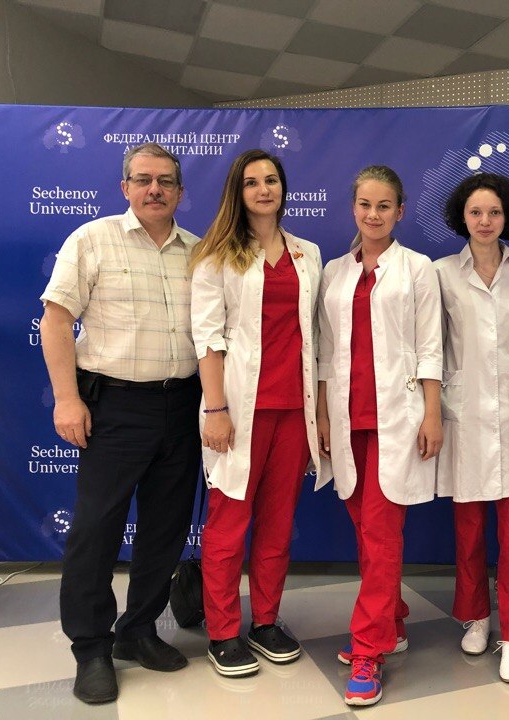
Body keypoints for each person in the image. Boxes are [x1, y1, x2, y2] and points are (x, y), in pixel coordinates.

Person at [39, 143, 201, 704]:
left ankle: (138, 630)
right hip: (114, 407)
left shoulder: (199, 252)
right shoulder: (92, 239)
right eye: (143, 179)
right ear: (125, 187)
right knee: (97, 530)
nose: (155, 189)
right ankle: (91, 648)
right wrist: (67, 400)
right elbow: (56, 321)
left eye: (166, 181)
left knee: (165, 527)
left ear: (180, 191)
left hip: (183, 405)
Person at [190, 150, 327, 678]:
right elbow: (208, 339)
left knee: (277, 523)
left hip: (294, 411)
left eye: (271, 180)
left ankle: (265, 621)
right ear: (238, 191)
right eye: (252, 182)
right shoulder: (215, 255)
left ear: (283, 188)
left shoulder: (307, 253)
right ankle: (223, 630)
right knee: (228, 525)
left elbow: (316, 338)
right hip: (238, 411)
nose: (263, 189)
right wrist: (216, 409)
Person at [316, 165, 443, 707]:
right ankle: (392, 616)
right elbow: (324, 352)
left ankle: (369, 648)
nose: (373, 214)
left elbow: (431, 346)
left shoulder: (417, 268)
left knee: (382, 534)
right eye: (365, 204)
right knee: (366, 530)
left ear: (400, 211)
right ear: (354, 208)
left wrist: (433, 414)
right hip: (347, 421)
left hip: (399, 418)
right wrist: (322, 416)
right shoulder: (334, 272)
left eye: (384, 205)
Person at [434, 173, 509, 683]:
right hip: (464, 414)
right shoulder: (441, 273)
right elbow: (433, 346)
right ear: (462, 216)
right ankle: (477, 616)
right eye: (476, 212)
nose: (485, 222)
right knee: (468, 532)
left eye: (495, 213)